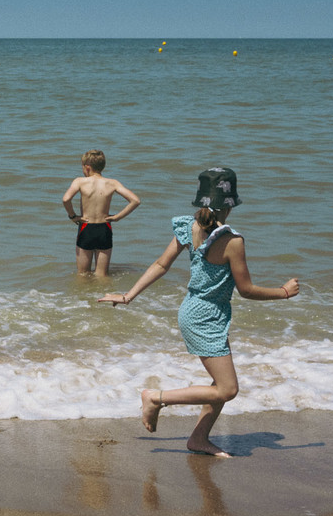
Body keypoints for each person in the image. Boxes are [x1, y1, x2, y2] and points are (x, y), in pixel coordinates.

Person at [98, 168, 299, 457]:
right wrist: (283, 293)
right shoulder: (232, 241)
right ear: (229, 204)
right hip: (205, 318)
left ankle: (199, 439)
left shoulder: (190, 226)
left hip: (196, 312)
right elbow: (246, 289)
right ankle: (156, 398)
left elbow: (161, 264)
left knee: (220, 383)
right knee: (228, 390)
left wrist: (129, 295)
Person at [61, 149, 141, 276]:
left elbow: (66, 199)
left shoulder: (80, 181)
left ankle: (83, 296)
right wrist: (117, 217)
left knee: (83, 274)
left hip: (86, 227)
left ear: (87, 167)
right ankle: (101, 294)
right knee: (102, 275)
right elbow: (135, 200)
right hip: (104, 228)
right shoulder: (112, 183)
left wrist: (73, 216)